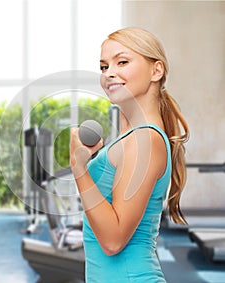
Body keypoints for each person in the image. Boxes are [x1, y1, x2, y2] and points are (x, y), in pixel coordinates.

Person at [70, 27, 189, 283]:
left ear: (156, 70)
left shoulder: (145, 139)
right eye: (103, 67)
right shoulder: (137, 137)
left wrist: (78, 168)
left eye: (122, 62)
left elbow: (113, 240)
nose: (109, 73)